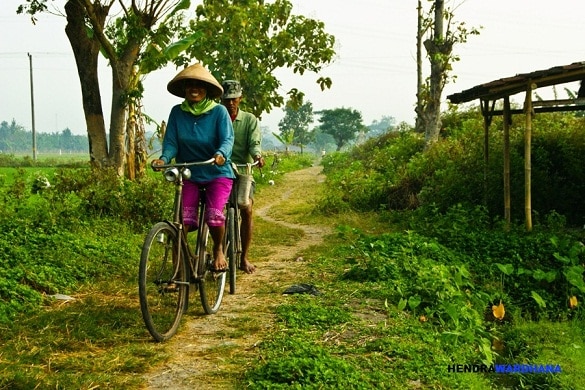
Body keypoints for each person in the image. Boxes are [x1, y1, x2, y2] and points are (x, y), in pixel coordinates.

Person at [152, 63, 235, 272]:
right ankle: (179, 268)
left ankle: (218, 249)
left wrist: (220, 154)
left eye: (199, 85)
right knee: (183, 221)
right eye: (190, 85)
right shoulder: (177, 113)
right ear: (185, 89)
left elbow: (227, 139)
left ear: (206, 89)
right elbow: (171, 142)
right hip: (188, 172)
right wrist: (164, 159)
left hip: (217, 172)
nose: (194, 89)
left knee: (215, 216)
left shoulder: (219, 112)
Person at [221, 80, 265, 274]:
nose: (231, 103)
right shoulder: (217, 117)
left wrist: (257, 156)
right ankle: (218, 253)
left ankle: (244, 257)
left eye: (234, 99)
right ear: (221, 99)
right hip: (220, 171)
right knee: (215, 212)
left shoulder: (249, 120)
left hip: (242, 170)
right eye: (227, 99)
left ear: (240, 98)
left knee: (246, 208)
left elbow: (254, 143)